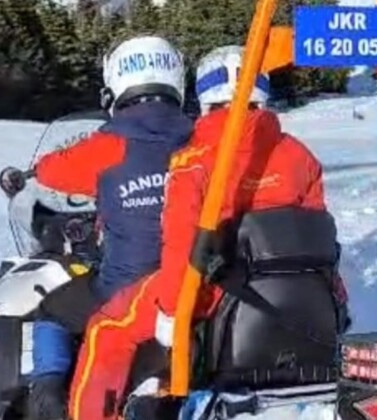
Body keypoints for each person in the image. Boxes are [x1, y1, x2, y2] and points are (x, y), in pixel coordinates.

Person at [67, 45, 348, 419]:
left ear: (203, 97)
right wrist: (336, 297)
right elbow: (319, 236)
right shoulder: (299, 155)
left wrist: (170, 312)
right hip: (307, 293)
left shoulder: (194, 158)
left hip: (221, 290)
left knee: (107, 328)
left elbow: (182, 242)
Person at [1, 35, 193, 418]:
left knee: (52, 310)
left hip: (127, 286)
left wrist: (33, 171)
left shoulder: (110, 143)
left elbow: (56, 168)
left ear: (116, 82)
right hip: (194, 286)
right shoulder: (198, 134)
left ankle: (50, 393)